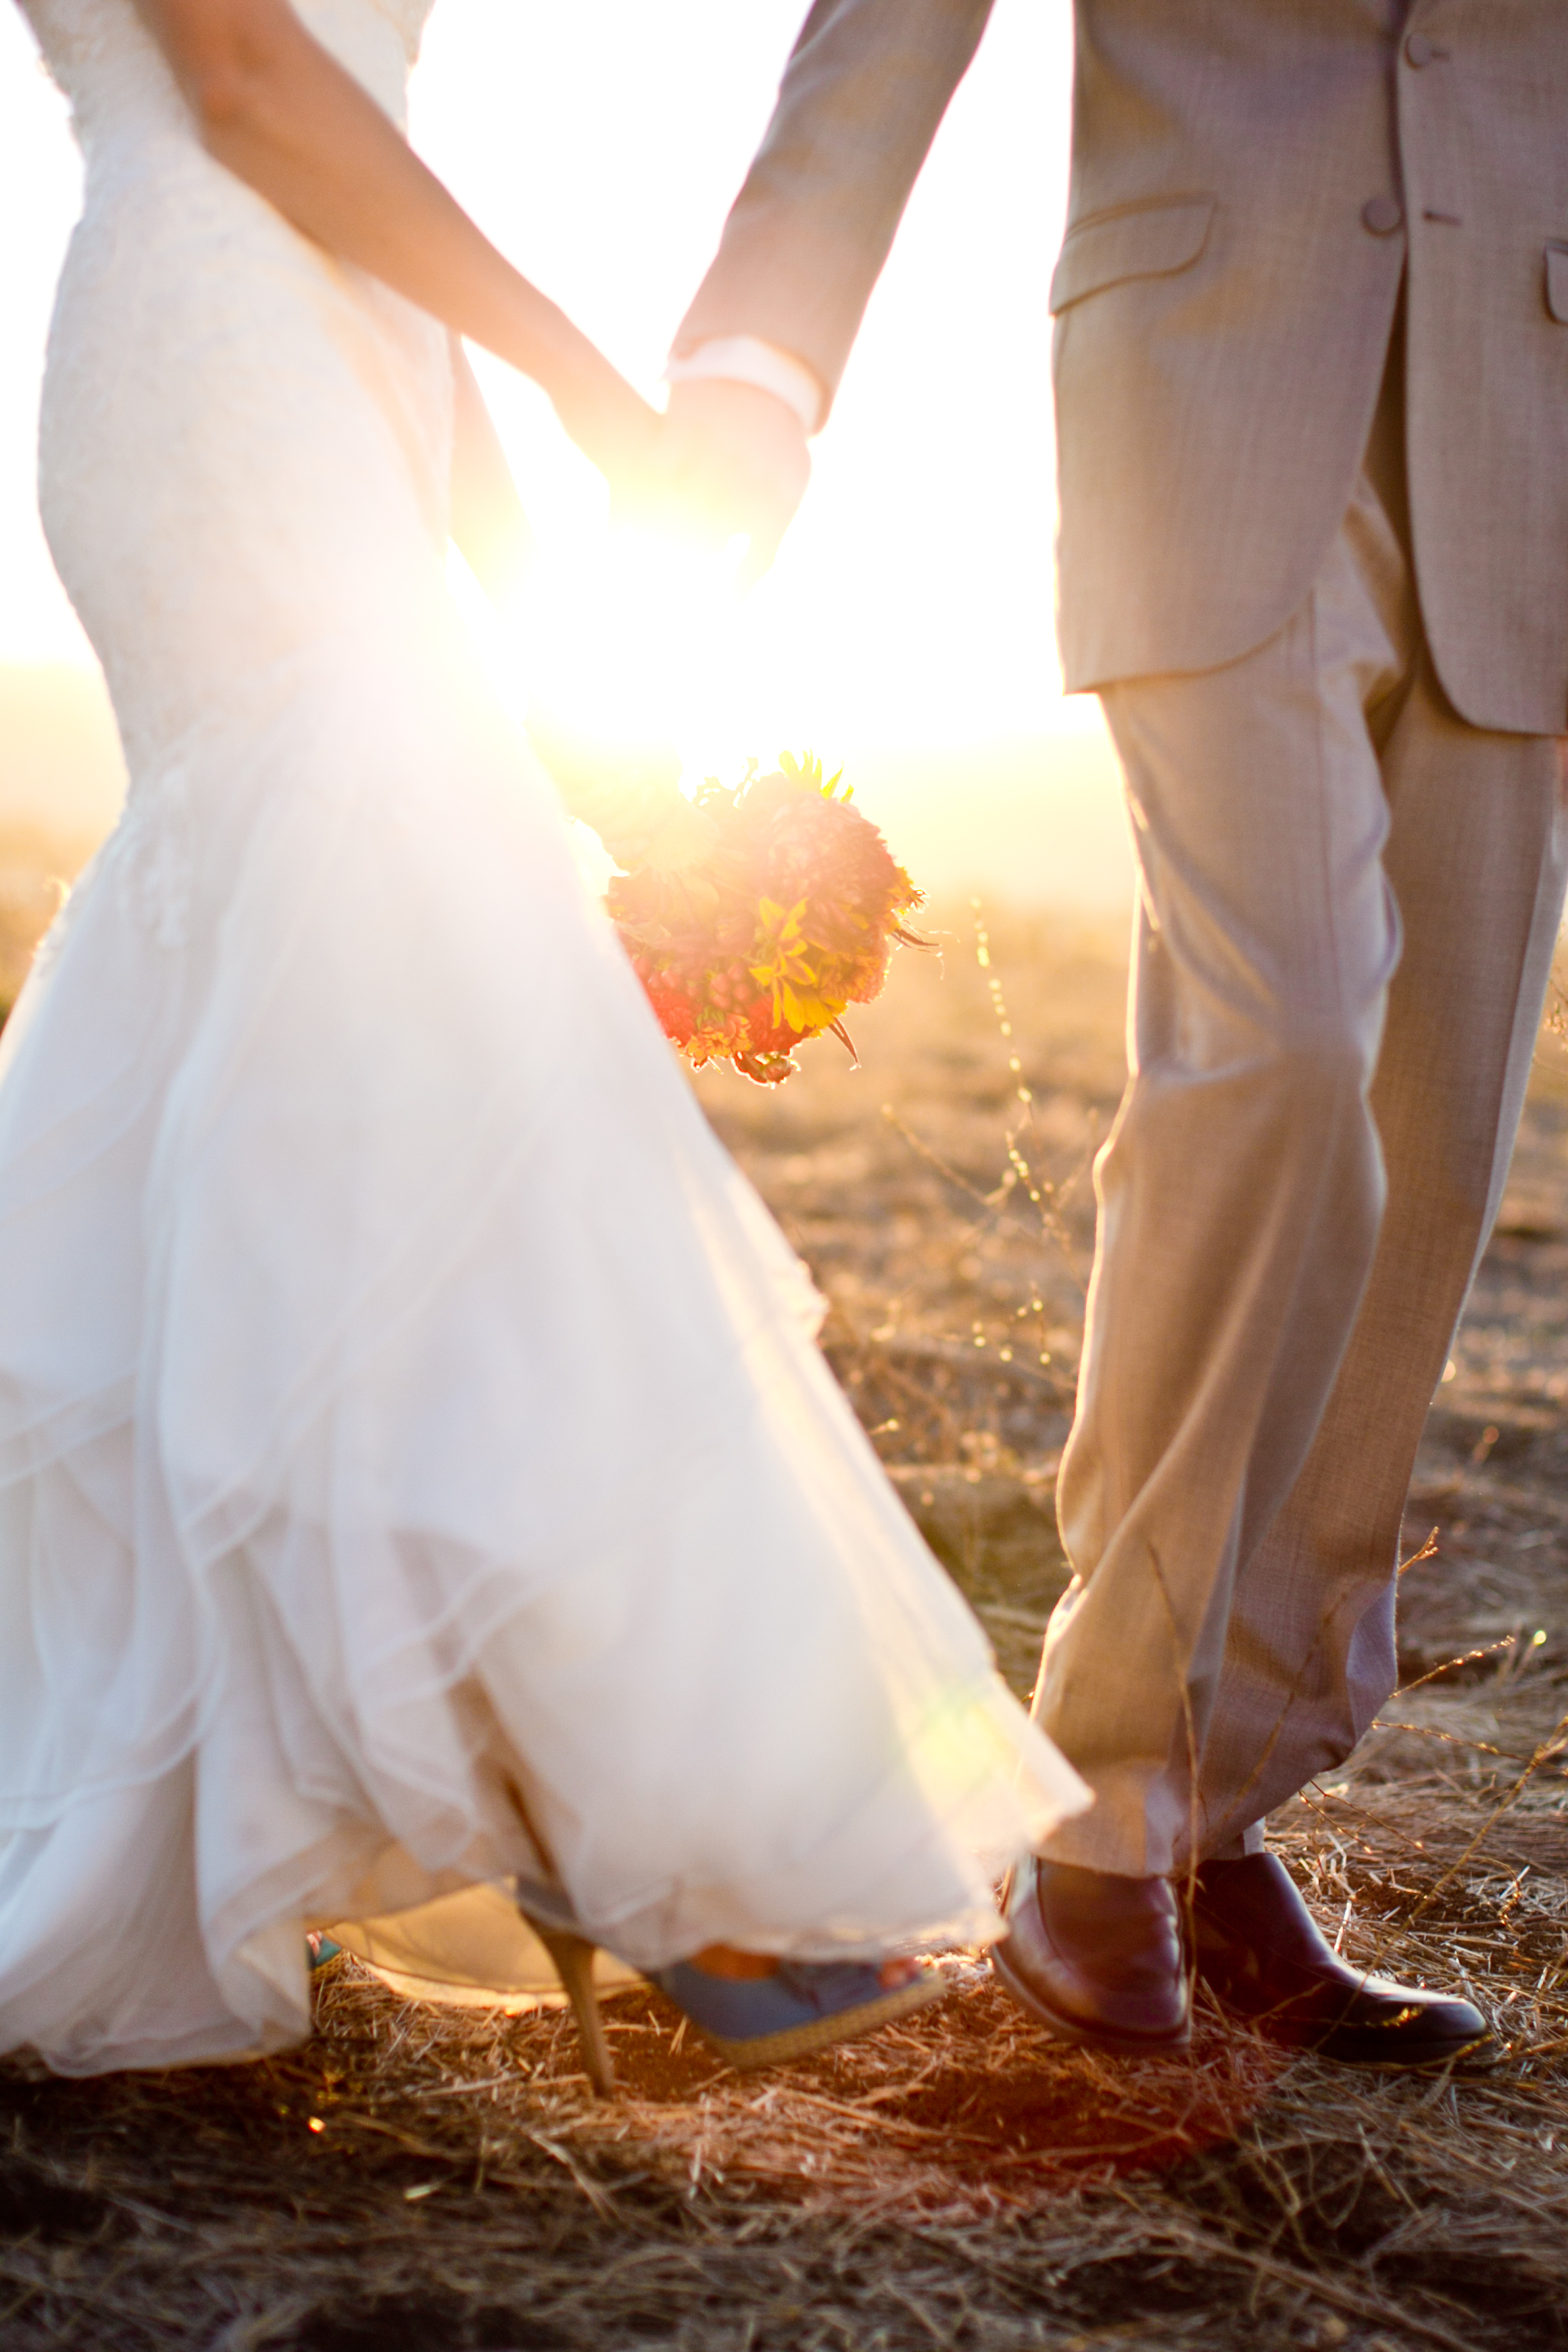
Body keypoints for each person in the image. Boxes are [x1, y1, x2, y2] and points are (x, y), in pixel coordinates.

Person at [0, 0, 1088, 2084]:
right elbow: (251, 83)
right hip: (222, 338)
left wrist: (562, 694)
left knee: (370, 1015)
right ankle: (617, 1818)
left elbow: (355, 157)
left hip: (344, 352)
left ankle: (508, 1790)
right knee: (417, 1029)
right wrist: (589, 383)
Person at [660, 0, 1568, 2067]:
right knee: (1281, 1052)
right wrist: (761, 361)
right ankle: (1099, 1810)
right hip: (1212, 392)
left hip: (1529, 441)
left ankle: (1219, 1814)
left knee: (1437, 1137)